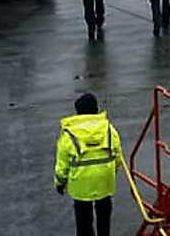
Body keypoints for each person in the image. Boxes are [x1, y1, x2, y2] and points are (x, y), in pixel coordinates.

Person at [54, 92, 122, 236]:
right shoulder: (108, 129)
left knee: (83, 220)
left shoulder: (69, 134)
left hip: (81, 186)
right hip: (104, 181)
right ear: (96, 109)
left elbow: (62, 166)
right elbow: (118, 157)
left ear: (78, 112)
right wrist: (111, 172)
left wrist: (59, 183)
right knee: (104, 217)